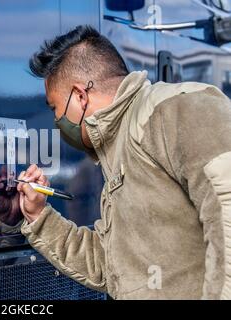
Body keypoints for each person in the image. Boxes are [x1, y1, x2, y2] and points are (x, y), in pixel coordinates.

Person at [14, 25, 231, 299]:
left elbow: (226, 211)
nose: (57, 120)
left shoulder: (175, 108)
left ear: (80, 96)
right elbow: (112, 265)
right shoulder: (116, 146)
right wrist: (38, 216)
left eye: (54, 107)